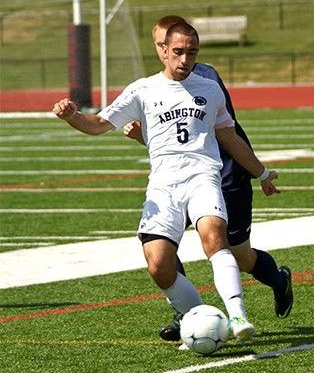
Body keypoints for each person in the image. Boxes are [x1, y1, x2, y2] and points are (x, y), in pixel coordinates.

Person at [52, 22, 278, 344]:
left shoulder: (210, 89)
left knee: (214, 237)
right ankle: (200, 317)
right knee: (159, 265)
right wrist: (72, 116)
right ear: (163, 52)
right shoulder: (142, 90)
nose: (185, 59)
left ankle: (237, 314)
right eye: (178, 52)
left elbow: (230, 137)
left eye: (192, 52)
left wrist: (263, 173)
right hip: (163, 186)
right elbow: (99, 124)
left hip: (203, 177)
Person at [124, 15, 294, 342]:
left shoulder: (203, 77)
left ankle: (278, 280)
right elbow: (172, 139)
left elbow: (213, 134)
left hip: (224, 174)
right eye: (160, 45)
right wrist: (144, 135)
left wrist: (259, 171)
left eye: (169, 44)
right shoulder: (159, 83)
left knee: (240, 255)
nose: (167, 51)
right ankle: (187, 313)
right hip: (180, 178)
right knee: (160, 245)